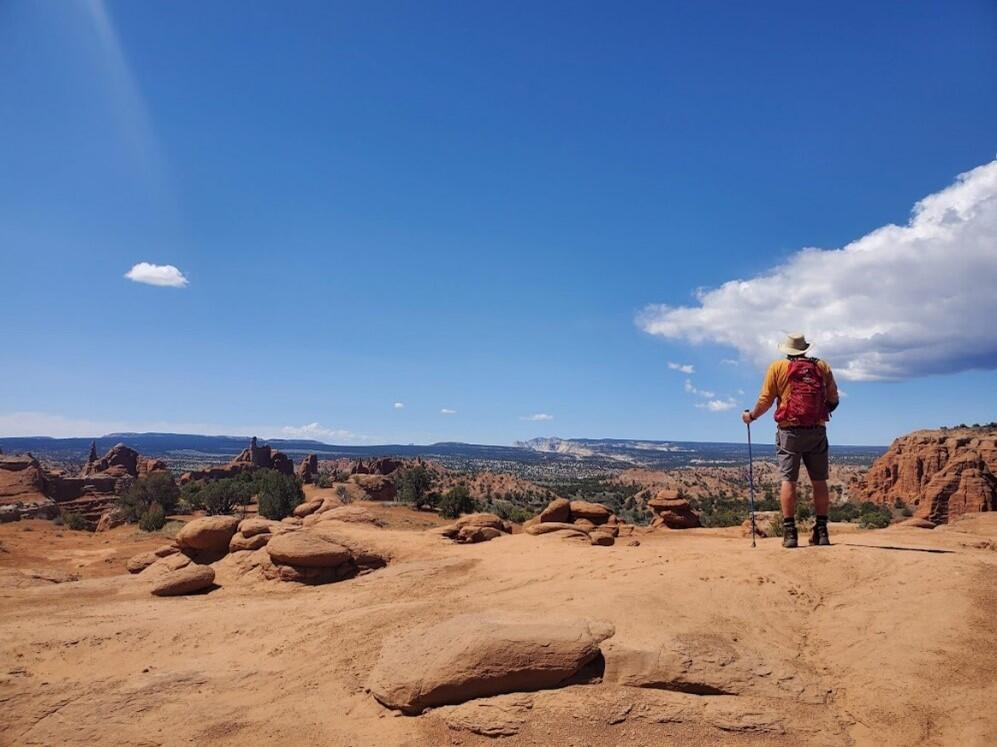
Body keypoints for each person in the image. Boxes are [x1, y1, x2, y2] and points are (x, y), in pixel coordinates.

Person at [741, 333, 839, 548]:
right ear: (805, 349)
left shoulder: (777, 367)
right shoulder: (822, 366)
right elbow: (833, 400)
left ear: (786, 350)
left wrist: (752, 417)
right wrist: (817, 413)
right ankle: (822, 532)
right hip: (817, 431)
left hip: (789, 432)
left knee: (789, 481)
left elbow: (765, 400)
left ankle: (790, 534)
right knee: (819, 481)